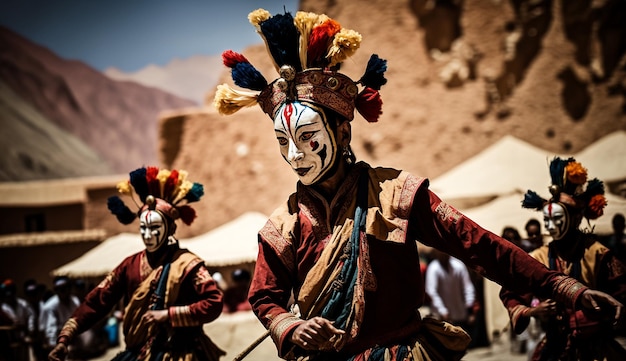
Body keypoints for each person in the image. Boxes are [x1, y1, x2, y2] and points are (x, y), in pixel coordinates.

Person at [213, 8, 624, 361]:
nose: (296, 155)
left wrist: (562, 287)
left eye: (308, 137)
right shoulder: (283, 225)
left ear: (342, 134)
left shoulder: (397, 194)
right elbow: (265, 296)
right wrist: (289, 325)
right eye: (284, 142)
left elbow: (477, 245)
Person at [48, 166, 225, 361]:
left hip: (180, 354)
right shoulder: (129, 265)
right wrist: (65, 339)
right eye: (143, 228)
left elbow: (214, 303)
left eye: (155, 227)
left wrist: (169, 315)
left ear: (171, 228)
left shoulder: (188, 264)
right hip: (138, 355)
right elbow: (97, 301)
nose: (148, 235)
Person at [500, 157, 626, 360]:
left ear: (576, 218)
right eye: (546, 220)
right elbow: (511, 292)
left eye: (557, 219)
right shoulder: (538, 257)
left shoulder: (598, 254)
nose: (550, 226)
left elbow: (621, 293)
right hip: (555, 347)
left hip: (597, 349)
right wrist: (533, 311)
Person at [424, 249, 476, 334]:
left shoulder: (458, 266)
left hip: (459, 315)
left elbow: (468, 288)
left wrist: (470, 307)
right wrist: (442, 310)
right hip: (441, 318)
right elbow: (431, 292)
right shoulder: (433, 268)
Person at [40, 276, 80, 356]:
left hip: (72, 336)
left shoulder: (75, 301)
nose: (62, 291)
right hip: (56, 339)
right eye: (59, 289)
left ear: (69, 288)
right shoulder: (50, 306)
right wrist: (57, 347)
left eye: (65, 288)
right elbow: (50, 331)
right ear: (56, 290)